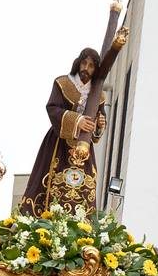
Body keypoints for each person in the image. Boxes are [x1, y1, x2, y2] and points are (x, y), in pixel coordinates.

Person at [19, 45, 112, 216]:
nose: (86, 68)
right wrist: (77, 120)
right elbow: (52, 108)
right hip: (58, 143)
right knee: (49, 180)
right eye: (84, 63)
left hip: (83, 148)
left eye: (91, 66)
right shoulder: (63, 83)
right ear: (78, 63)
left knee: (84, 187)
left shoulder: (98, 95)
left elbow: (98, 129)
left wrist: (99, 124)